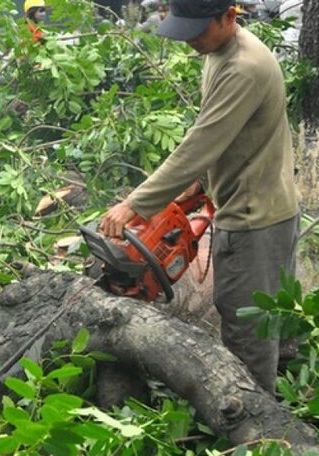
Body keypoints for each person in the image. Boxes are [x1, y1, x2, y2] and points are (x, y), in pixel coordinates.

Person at [100, 0, 298, 393]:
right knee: (277, 323)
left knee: (247, 335)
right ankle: (293, 405)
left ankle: (258, 432)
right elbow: (227, 135)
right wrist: (201, 186)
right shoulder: (218, 51)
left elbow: (201, 143)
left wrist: (135, 204)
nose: (189, 39)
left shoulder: (245, 67)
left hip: (252, 218)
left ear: (229, 15)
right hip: (261, 201)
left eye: (197, 29)